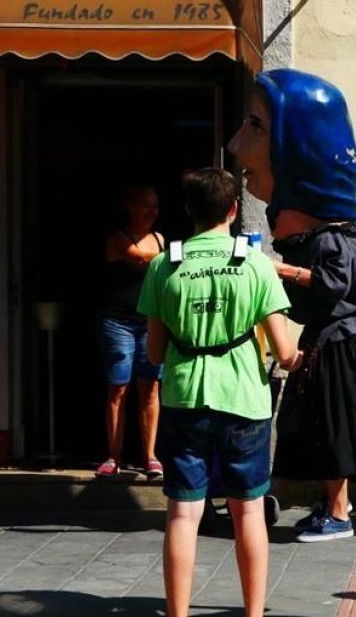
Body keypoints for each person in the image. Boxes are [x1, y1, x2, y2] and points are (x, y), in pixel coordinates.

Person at [139, 168, 301, 617]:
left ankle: (178, 612)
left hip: (183, 396)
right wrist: (295, 358)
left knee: (183, 512)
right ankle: (252, 611)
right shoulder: (253, 264)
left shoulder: (163, 263)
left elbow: (154, 352)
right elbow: (285, 350)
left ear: (189, 210)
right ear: (233, 210)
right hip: (243, 398)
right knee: (248, 510)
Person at [229, 69, 356, 543]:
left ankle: (338, 513)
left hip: (336, 345)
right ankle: (333, 505)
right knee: (319, 427)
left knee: (332, 428)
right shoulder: (324, 234)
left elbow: (335, 286)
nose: (236, 145)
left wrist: (278, 270)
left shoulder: (333, 237)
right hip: (327, 341)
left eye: (255, 126)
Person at [96, 185, 165, 479]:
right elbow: (138, 257)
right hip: (117, 321)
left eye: (155, 206)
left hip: (149, 321)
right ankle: (113, 456)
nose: (152, 212)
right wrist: (179, 255)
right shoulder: (118, 237)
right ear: (129, 207)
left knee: (150, 387)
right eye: (144, 205)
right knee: (119, 387)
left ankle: (150, 457)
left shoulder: (161, 239)